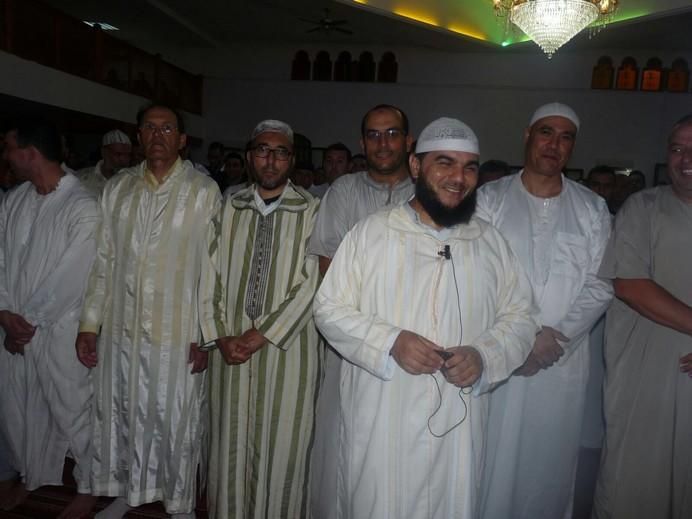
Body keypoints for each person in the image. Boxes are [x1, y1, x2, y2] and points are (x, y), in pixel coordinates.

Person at [313, 117, 537, 519]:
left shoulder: (489, 242)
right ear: (416, 166)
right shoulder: (372, 234)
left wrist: (484, 355)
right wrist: (391, 342)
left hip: (458, 425)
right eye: (445, 163)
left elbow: (521, 317)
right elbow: (328, 308)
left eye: (470, 167)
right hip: (383, 414)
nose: (459, 177)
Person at [76, 103, 221, 519]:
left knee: (173, 418)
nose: (158, 135)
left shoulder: (202, 191)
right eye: (149, 128)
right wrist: (90, 323)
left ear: (181, 139)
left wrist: (206, 333)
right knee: (123, 412)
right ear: (138, 136)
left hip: (178, 333)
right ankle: (126, 492)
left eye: (167, 128)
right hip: (121, 328)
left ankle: (179, 505)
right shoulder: (118, 189)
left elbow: (212, 269)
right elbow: (103, 261)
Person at [477, 102, 613, 519]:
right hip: (501, 355)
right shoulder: (489, 198)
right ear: (527, 136)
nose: (554, 144)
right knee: (490, 462)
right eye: (546, 133)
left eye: (565, 136)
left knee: (550, 466)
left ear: (573, 146)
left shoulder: (592, 208)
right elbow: (479, 273)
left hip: (561, 361)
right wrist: (521, 340)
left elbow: (601, 282)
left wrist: (553, 339)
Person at [199, 119, 321, 518]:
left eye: (280, 151)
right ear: (250, 156)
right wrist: (220, 335)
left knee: (283, 449)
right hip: (230, 350)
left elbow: (314, 280)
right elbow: (208, 275)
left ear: (292, 159)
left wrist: (261, 335)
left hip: (288, 352)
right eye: (263, 150)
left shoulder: (314, 211)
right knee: (227, 448)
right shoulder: (228, 207)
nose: (271, 159)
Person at [308, 104, 415, 518]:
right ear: (362, 142)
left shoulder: (426, 192)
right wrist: (367, 330)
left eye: (392, 134)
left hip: (412, 335)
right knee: (343, 436)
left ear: (409, 142)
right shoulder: (344, 191)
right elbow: (328, 269)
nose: (382, 143)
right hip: (351, 339)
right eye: (373, 134)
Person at [592, 114, 692, 519]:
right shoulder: (643, 207)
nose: (686, 157)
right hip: (645, 382)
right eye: (677, 148)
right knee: (635, 487)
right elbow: (630, 285)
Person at [0, 119, 100, 518]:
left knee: (73, 409)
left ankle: (90, 487)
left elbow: (72, 275)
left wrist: (26, 323)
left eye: (8, 146)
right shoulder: (16, 199)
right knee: (19, 408)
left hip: (60, 328)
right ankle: (33, 475)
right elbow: (2, 258)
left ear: (29, 153)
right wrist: (5, 312)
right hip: (16, 329)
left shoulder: (83, 205)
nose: (5, 155)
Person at [76, 130, 132, 195]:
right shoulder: (82, 179)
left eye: (128, 155)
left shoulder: (132, 181)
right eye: (118, 154)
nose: (124, 160)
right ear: (104, 152)